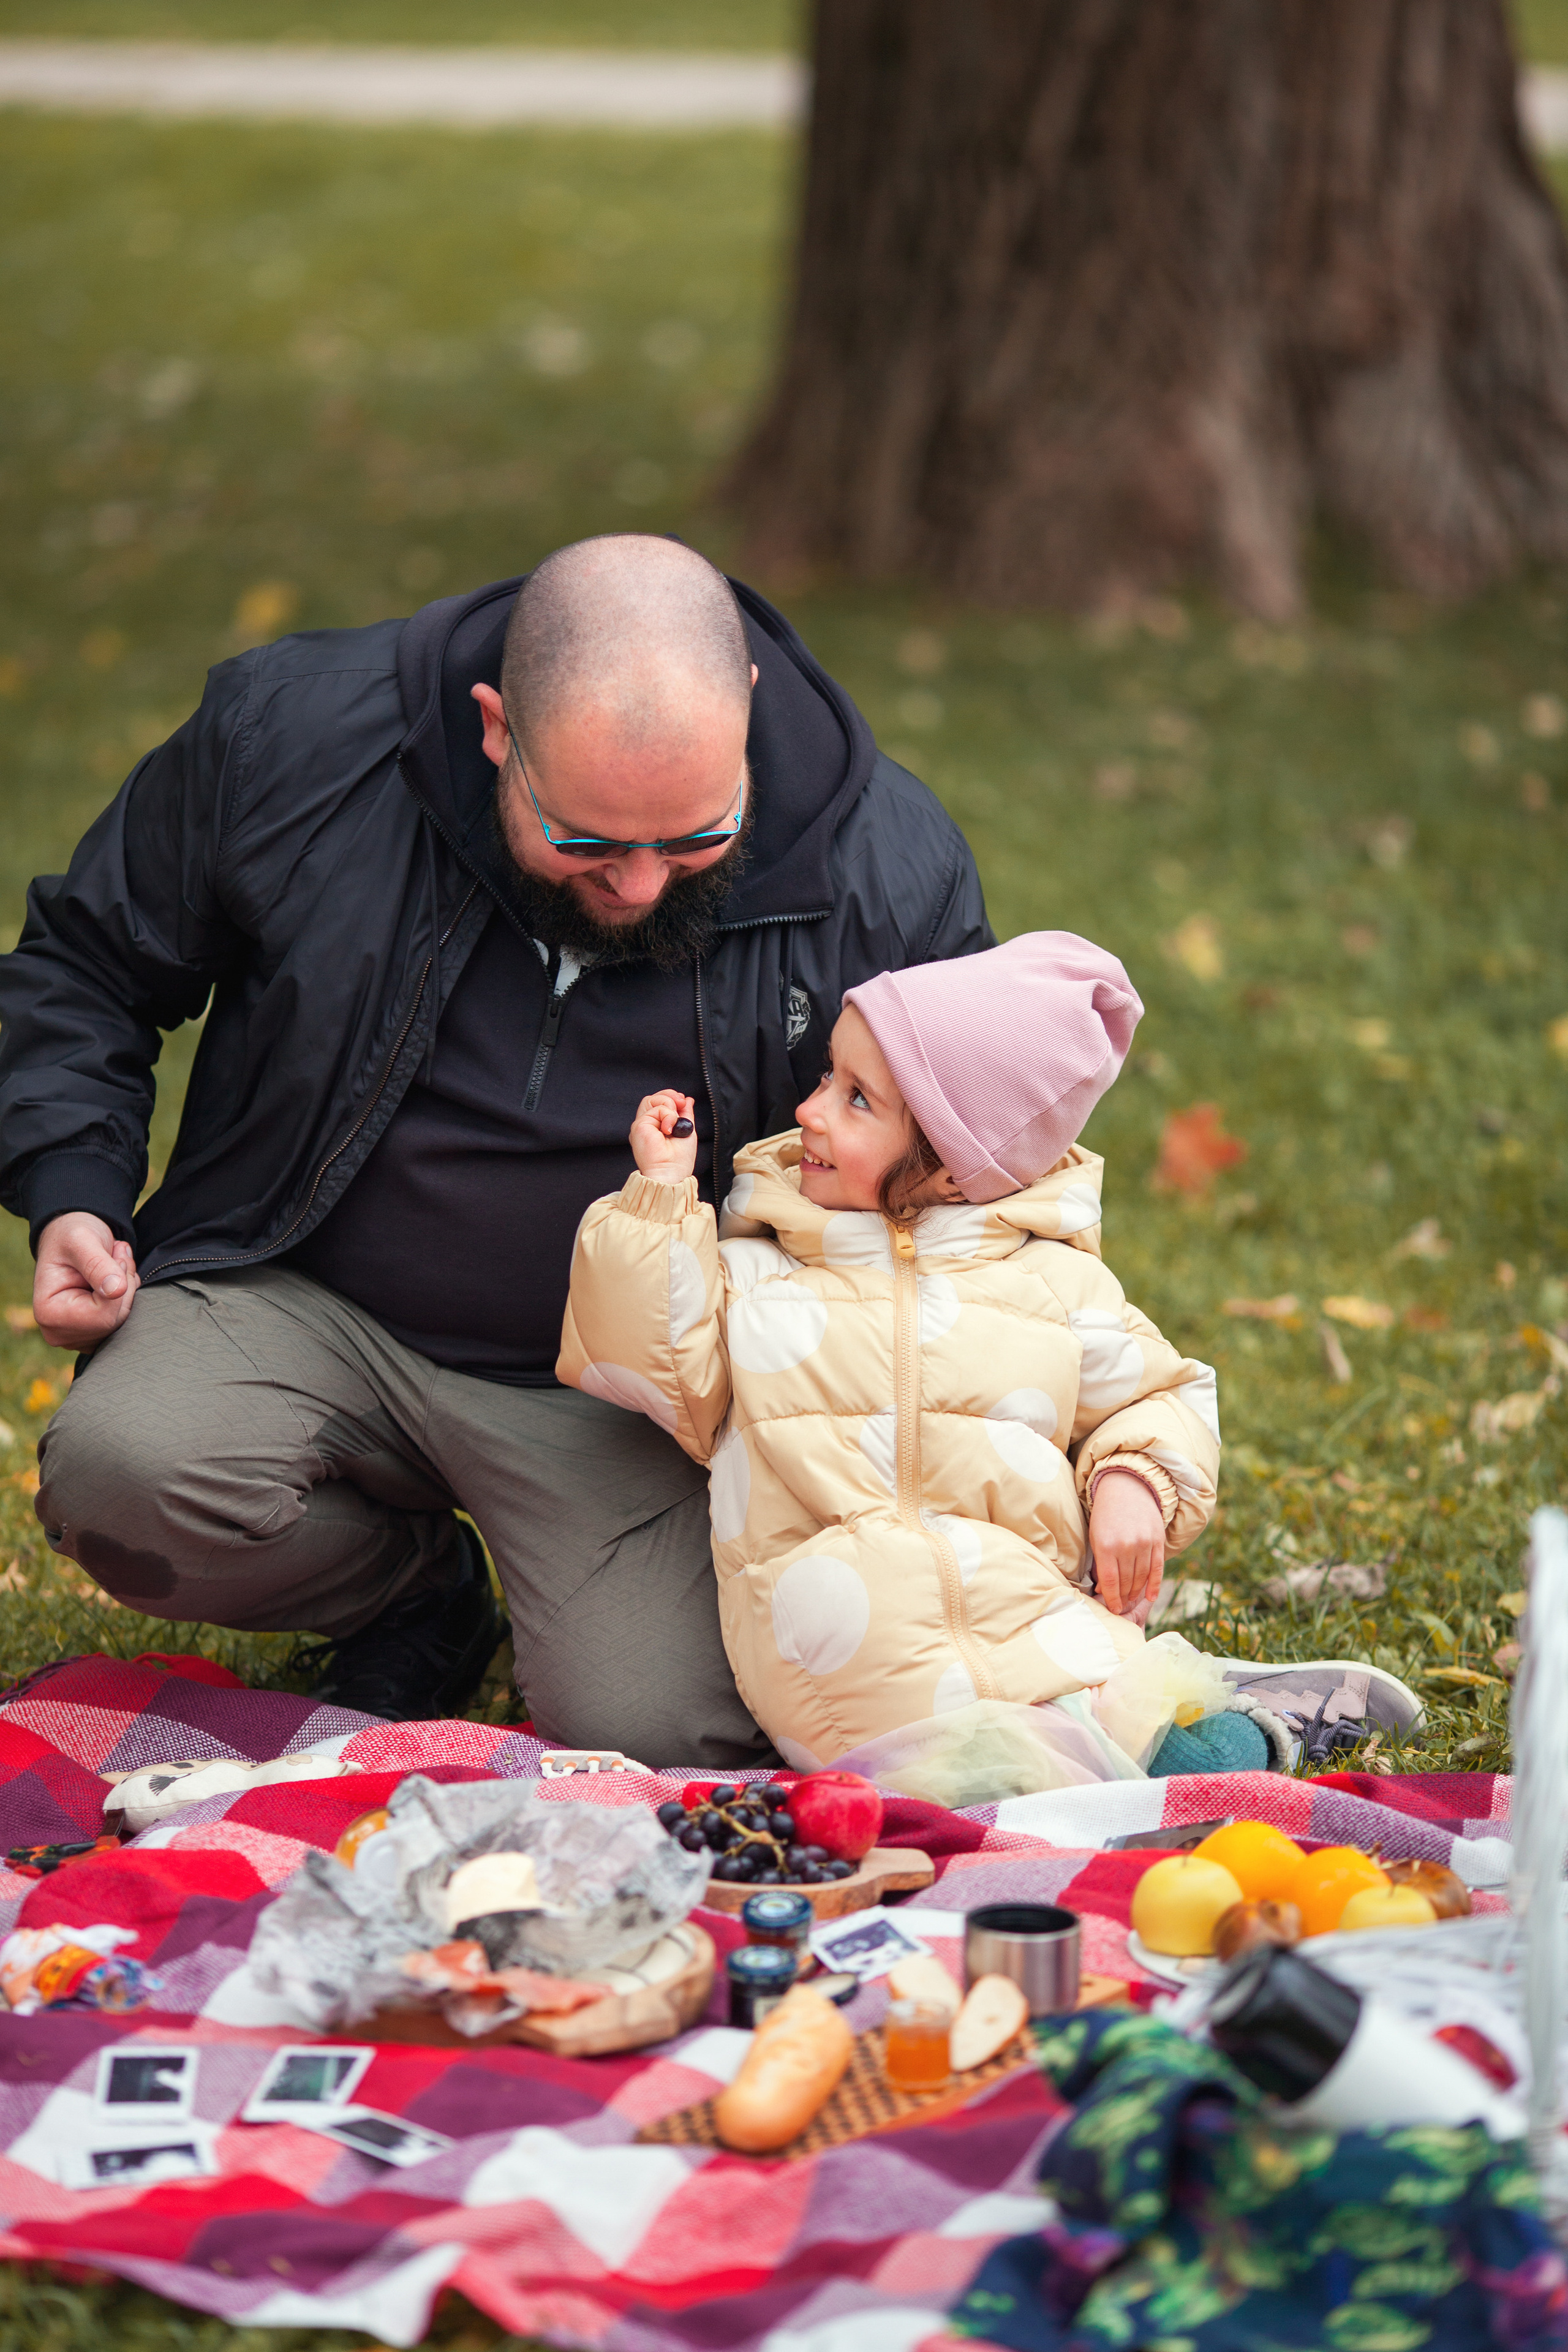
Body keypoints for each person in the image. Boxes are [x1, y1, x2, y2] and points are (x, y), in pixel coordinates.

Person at [0, 535, 990, 1763]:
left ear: (744, 716)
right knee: (124, 1474)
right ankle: (412, 1594)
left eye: (691, 838)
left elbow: (962, 1198)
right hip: (304, 1293)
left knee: (656, 1722)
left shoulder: (885, 871)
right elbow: (85, 968)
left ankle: (572, 1591)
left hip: (634, 1396)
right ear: (493, 732)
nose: (635, 886)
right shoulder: (291, 744)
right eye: (583, 843)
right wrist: (72, 1186)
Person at [557, 932, 1222, 1768]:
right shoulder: (761, 1269)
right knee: (973, 1741)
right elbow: (649, 1364)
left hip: (1028, 1610)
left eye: (857, 1099)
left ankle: (1130, 1745)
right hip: (843, 1638)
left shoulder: (1053, 1284)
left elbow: (1163, 1395)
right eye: (828, 1077)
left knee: (1133, 1699)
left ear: (951, 1165)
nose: (810, 1110)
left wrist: (1133, 1481)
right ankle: (1071, 1766)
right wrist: (660, 1198)